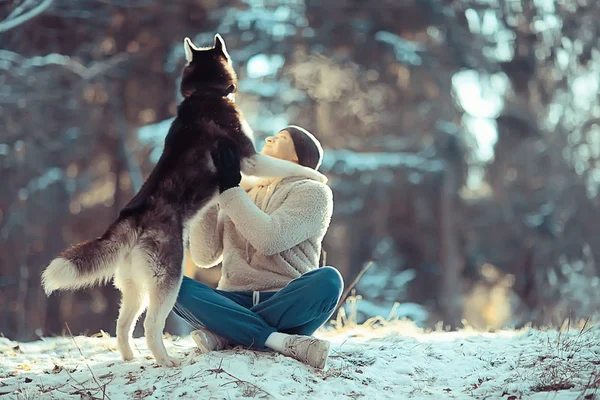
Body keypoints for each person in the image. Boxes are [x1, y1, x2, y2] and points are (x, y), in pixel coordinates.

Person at [173, 125, 343, 369]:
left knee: (329, 280)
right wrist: (207, 195)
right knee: (170, 284)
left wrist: (230, 189)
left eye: (282, 137)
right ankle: (277, 340)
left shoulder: (313, 192)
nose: (271, 137)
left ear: (298, 156)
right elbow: (205, 256)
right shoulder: (240, 193)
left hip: (286, 302)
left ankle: (227, 333)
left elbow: (269, 240)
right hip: (232, 300)